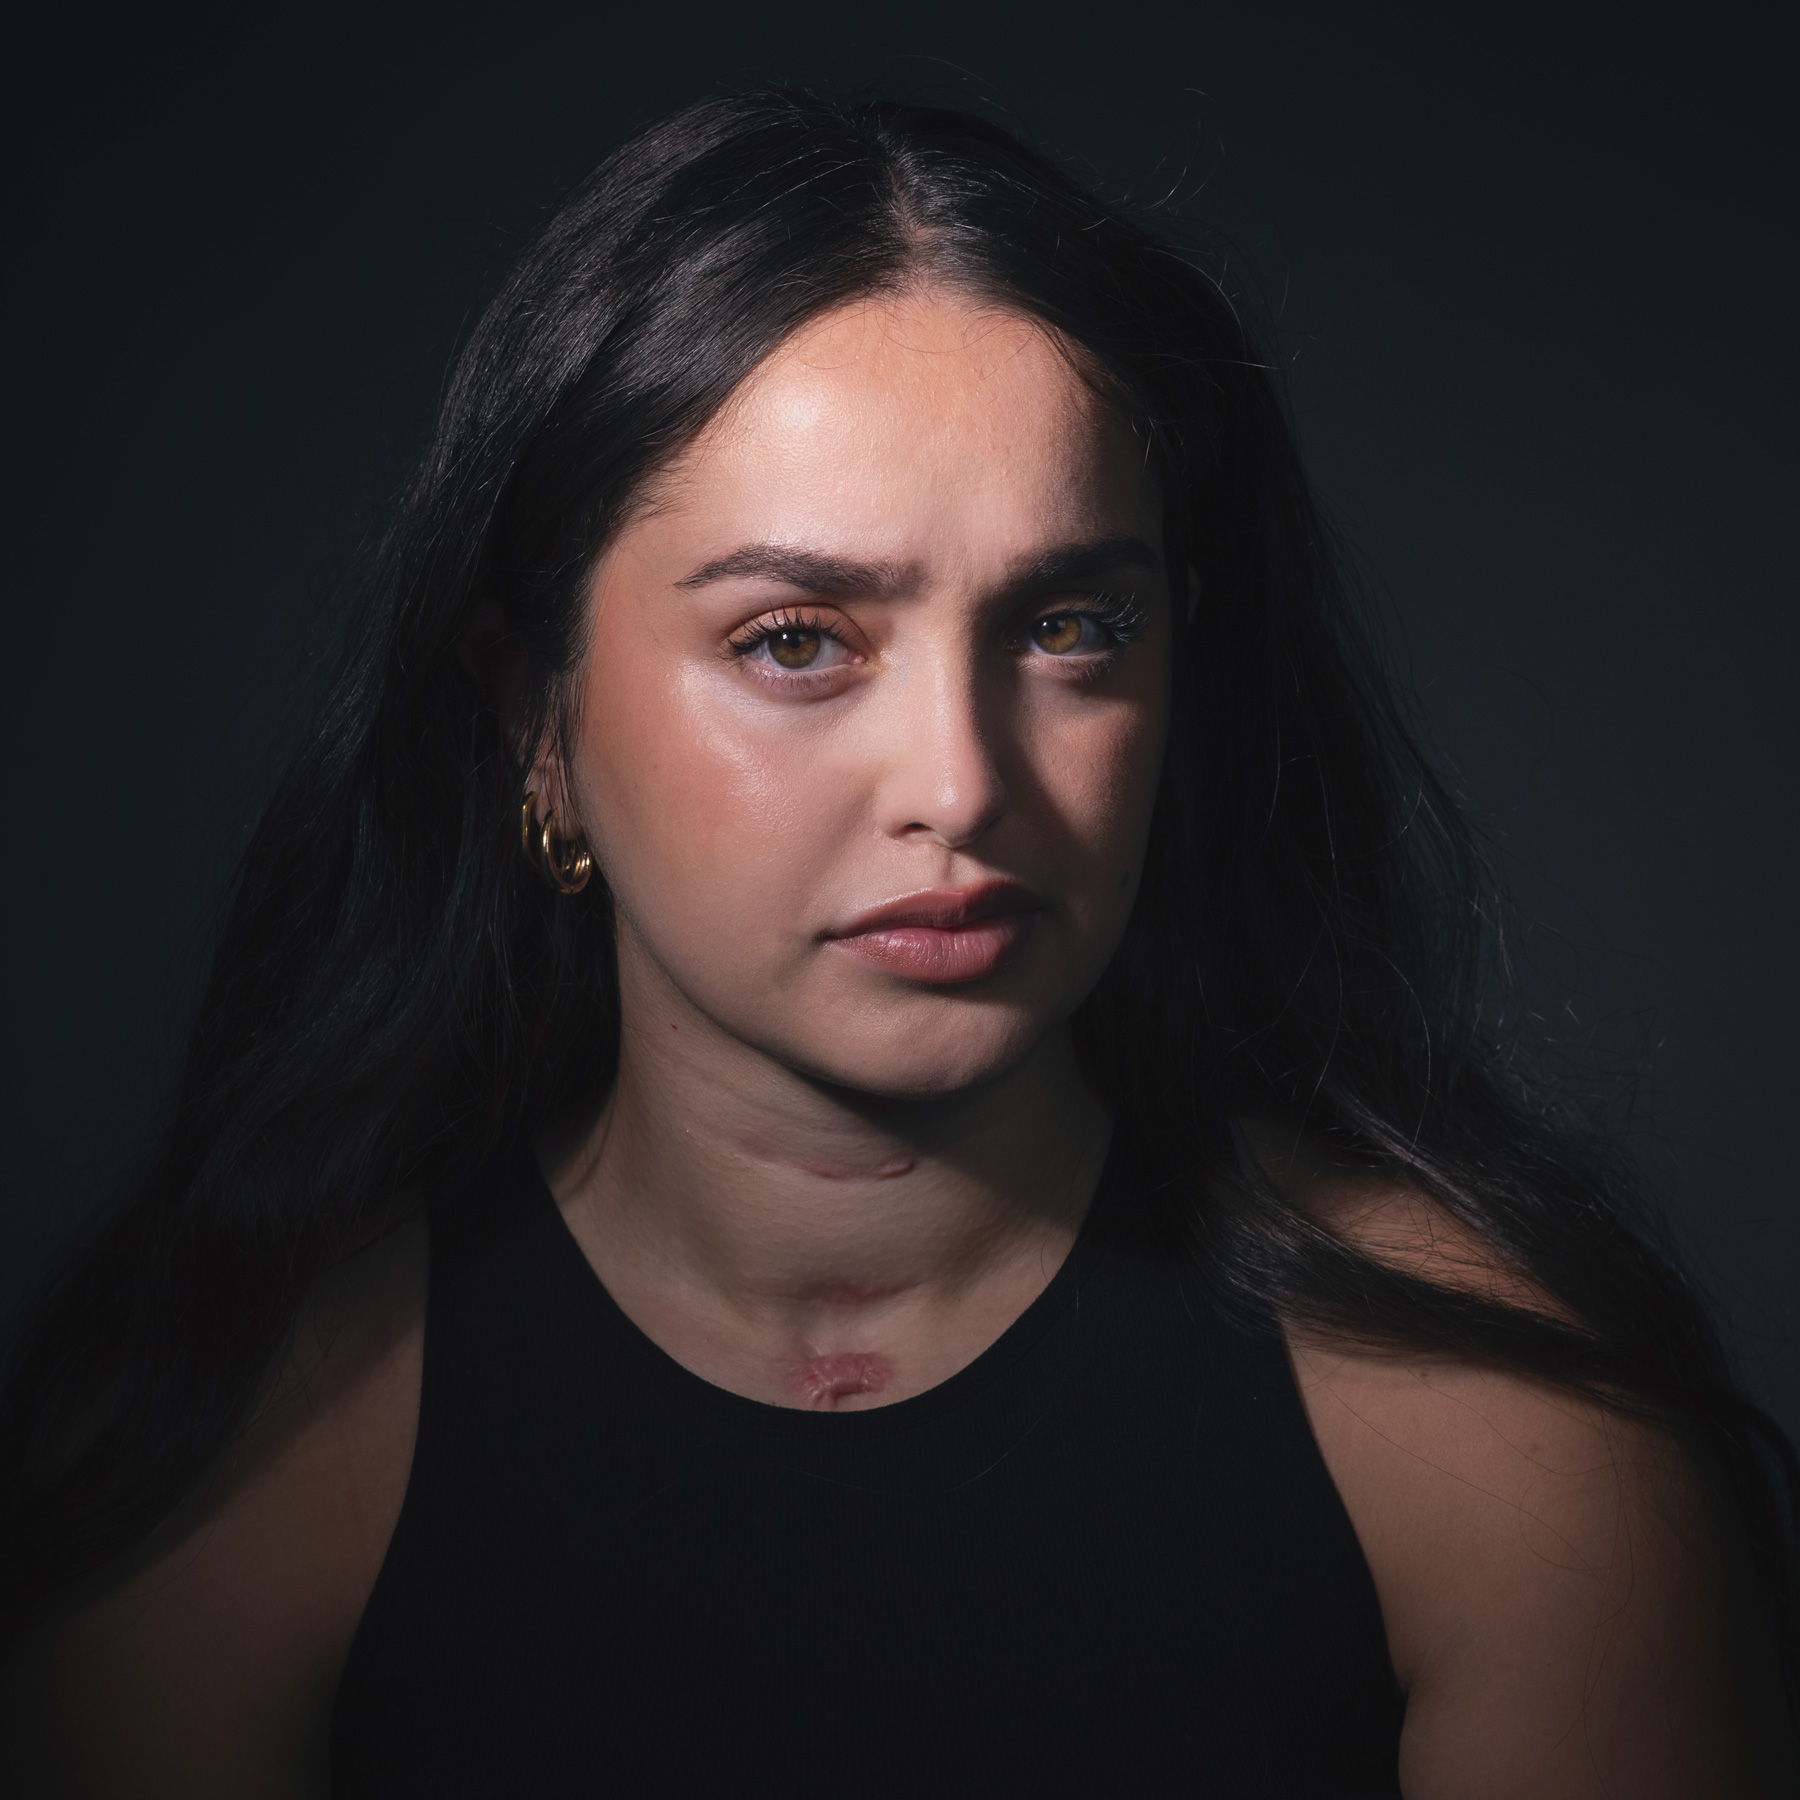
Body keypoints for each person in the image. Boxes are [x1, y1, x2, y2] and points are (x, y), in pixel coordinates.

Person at [1, 91, 1793, 1797]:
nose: (961, 785)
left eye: (1071, 627)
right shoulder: (232, 1445)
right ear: (535, 715)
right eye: (796, 640)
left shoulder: (1497, 1440)